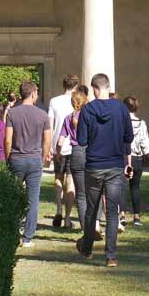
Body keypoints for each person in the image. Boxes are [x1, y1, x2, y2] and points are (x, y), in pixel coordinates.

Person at [74, 73, 133, 267]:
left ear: (94, 88)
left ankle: (88, 248)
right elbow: (128, 137)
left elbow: (81, 140)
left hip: (94, 165)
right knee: (113, 212)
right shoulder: (122, 109)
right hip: (115, 165)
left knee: (92, 209)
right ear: (108, 86)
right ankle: (111, 255)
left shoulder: (88, 110)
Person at [5, 80, 52, 248]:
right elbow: (47, 140)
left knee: (13, 197)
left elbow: (8, 139)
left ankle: (12, 231)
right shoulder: (43, 115)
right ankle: (28, 237)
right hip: (34, 159)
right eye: (37, 92)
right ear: (33, 94)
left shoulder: (12, 113)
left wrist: (8, 157)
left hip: (16, 159)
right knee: (33, 200)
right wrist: (43, 157)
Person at [48, 74, 81, 228]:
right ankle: (68, 217)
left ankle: (59, 209)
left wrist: (48, 147)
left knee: (58, 178)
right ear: (76, 85)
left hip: (57, 146)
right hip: (74, 146)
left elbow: (50, 125)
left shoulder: (54, 101)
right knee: (71, 181)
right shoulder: (78, 101)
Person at [124, 96, 149, 226]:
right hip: (138, 158)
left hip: (124, 157)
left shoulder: (122, 122)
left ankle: (121, 215)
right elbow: (146, 143)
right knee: (135, 188)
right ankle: (137, 217)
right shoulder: (142, 123)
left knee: (121, 187)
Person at [60, 88, 88, 231]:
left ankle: (84, 227)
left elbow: (60, 141)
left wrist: (58, 154)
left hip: (75, 153)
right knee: (95, 190)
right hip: (91, 152)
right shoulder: (90, 117)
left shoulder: (68, 118)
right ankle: (94, 223)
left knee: (81, 194)